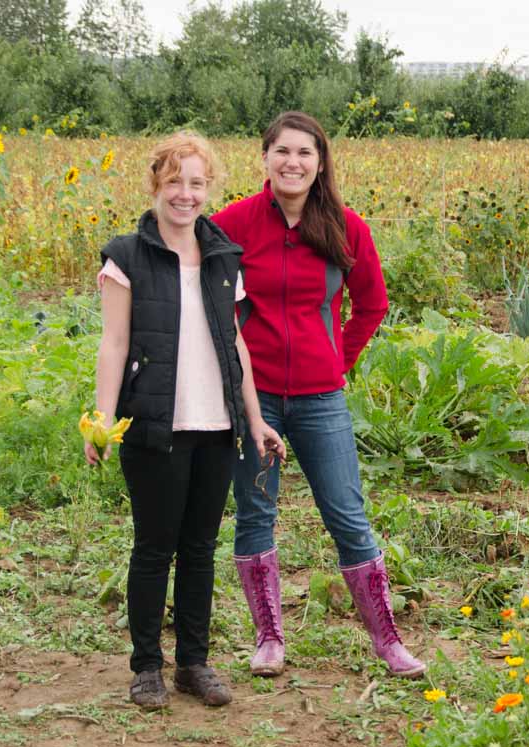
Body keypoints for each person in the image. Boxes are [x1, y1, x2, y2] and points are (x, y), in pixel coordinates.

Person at [211, 111, 425, 679]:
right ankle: (269, 640)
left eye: (305, 153)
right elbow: (215, 306)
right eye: (282, 151)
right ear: (264, 158)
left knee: (348, 516)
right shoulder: (233, 225)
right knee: (256, 513)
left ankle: (389, 641)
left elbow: (372, 303)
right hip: (255, 403)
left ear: (320, 162)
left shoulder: (346, 227)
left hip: (320, 397)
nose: (293, 162)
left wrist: (339, 361)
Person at [87, 131, 284, 709]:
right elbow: (114, 343)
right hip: (154, 425)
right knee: (154, 547)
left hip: (216, 427)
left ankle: (193, 664)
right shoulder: (126, 257)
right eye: (175, 181)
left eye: (197, 183)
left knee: (200, 547)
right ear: (156, 183)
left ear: (209, 189)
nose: (186, 194)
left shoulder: (223, 256)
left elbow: (237, 345)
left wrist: (253, 419)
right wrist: (102, 418)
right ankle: (147, 667)